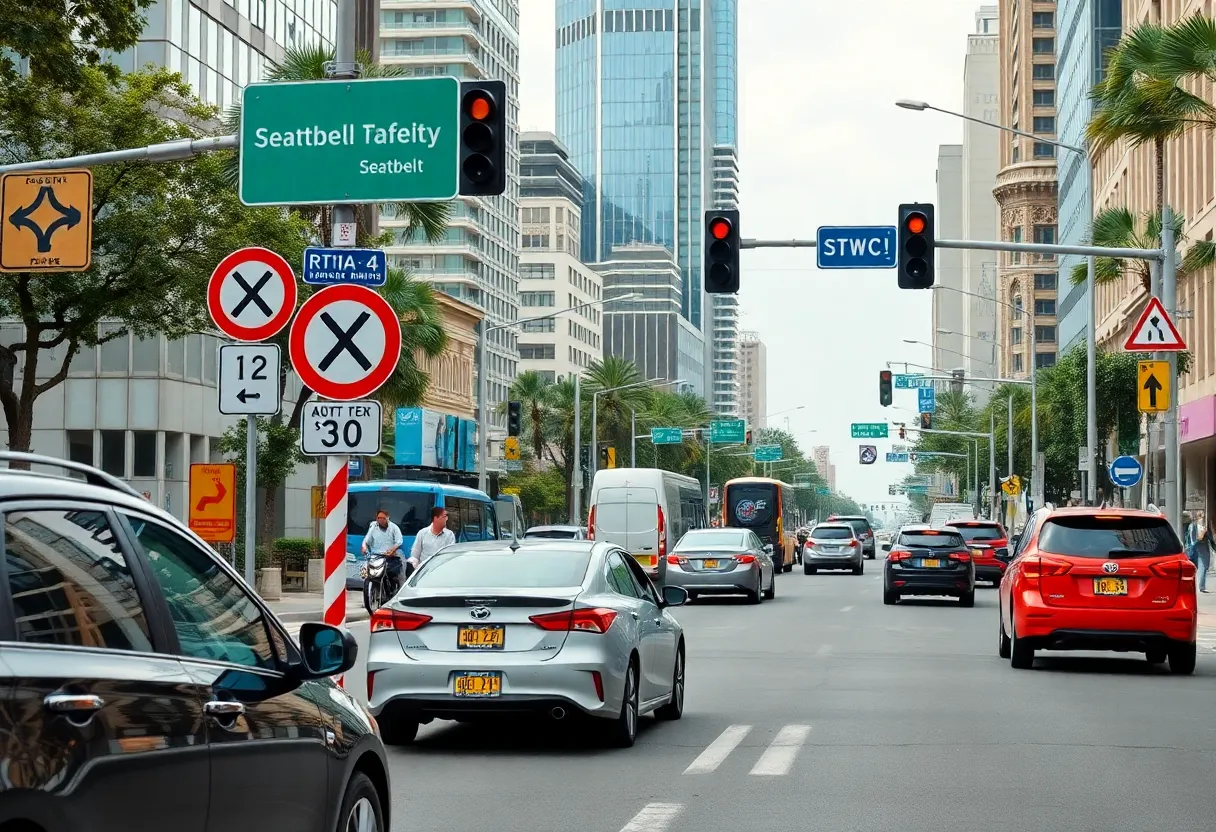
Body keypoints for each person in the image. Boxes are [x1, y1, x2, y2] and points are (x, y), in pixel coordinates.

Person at [362, 509, 405, 587]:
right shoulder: (373, 526)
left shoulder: (394, 527)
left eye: (383, 518)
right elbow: (367, 539)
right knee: (366, 572)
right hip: (376, 556)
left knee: (397, 574)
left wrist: (392, 550)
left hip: (390, 556)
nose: (381, 520)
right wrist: (364, 547)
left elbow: (399, 541)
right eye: (379, 518)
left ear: (388, 518)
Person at [409, 505, 457, 570]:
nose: (446, 519)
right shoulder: (422, 533)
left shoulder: (449, 535)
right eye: (444, 517)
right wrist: (415, 566)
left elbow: (450, 555)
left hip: (441, 569)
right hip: (424, 571)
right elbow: (415, 555)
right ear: (436, 518)